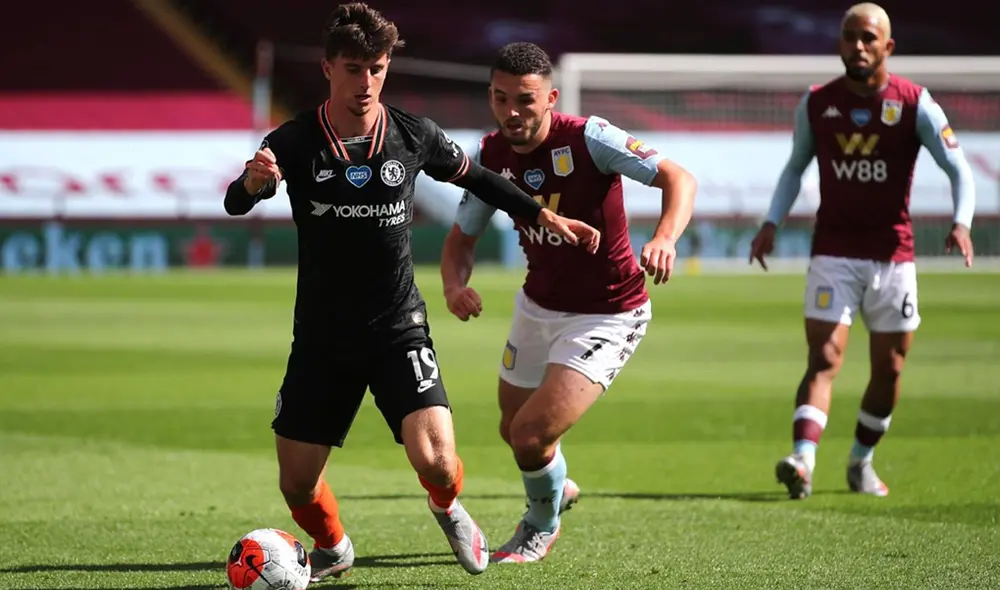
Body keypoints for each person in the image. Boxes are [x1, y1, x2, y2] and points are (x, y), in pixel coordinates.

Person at [223, 5, 601, 582]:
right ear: (328, 69)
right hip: (323, 339)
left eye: (376, 68)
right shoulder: (295, 141)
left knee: (440, 464)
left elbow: (479, 179)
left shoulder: (412, 134)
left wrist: (543, 218)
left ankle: (448, 507)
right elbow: (236, 201)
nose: (366, 82)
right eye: (354, 69)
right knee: (296, 484)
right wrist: (253, 183)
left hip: (397, 326)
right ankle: (333, 547)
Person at [440, 42, 697, 563]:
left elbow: (679, 177)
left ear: (551, 98)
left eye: (526, 101)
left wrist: (665, 238)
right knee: (513, 430)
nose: (512, 112)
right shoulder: (490, 155)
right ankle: (558, 484)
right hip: (537, 307)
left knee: (530, 435)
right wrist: (453, 286)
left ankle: (540, 523)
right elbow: (461, 240)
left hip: (609, 310)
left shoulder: (590, 138)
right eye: (500, 98)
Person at [748, 2, 976, 500]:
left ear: (887, 46)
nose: (858, 46)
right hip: (833, 252)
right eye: (851, 36)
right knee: (824, 358)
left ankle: (861, 460)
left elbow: (959, 169)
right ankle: (802, 461)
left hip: (895, 256)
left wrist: (961, 223)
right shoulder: (816, 103)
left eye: (869, 38)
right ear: (839, 43)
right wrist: (771, 222)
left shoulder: (915, 103)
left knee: (889, 368)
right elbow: (794, 167)